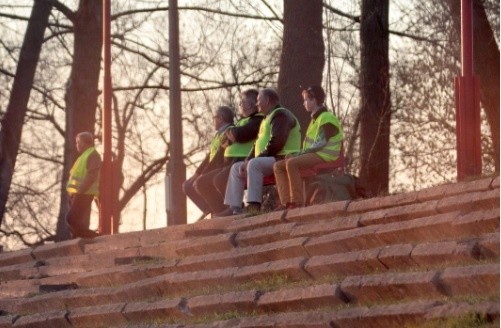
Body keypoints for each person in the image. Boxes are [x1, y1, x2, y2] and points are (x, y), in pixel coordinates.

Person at [217, 88, 301, 216]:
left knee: (254, 165)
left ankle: (254, 206)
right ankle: (234, 207)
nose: (256, 104)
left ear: (267, 100)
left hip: (283, 157)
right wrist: (247, 159)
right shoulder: (267, 118)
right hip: (269, 158)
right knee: (236, 168)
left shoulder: (281, 115)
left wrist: (254, 160)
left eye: (258, 100)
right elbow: (258, 143)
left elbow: (277, 142)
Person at [195, 89, 264, 216]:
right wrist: (231, 134)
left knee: (219, 179)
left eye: (241, 103)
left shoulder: (258, 120)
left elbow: (241, 134)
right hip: (230, 162)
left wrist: (233, 134)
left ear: (249, 104)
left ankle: (235, 208)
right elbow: (227, 139)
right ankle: (220, 212)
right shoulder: (242, 121)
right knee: (201, 182)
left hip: (243, 160)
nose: (240, 106)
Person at [273, 85, 343, 209]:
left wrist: (298, 155)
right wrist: (297, 154)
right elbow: (312, 146)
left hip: (324, 155)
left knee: (291, 163)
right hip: (315, 154)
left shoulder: (327, 118)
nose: (304, 103)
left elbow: (321, 143)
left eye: (306, 100)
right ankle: (285, 203)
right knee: (278, 166)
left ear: (314, 100)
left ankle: (296, 202)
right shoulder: (315, 120)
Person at [183, 106, 234, 217]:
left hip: (221, 167)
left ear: (220, 118)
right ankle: (210, 209)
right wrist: (197, 172)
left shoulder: (229, 131)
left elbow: (218, 156)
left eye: (214, 117)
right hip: (212, 167)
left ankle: (219, 210)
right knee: (187, 185)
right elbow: (209, 157)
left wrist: (202, 174)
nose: (213, 120)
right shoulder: (218, 135)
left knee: (200, 182)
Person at [66, 132, 101, 238]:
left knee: (71, 218)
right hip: (78, 193)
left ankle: (92, 236)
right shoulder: (84, 156)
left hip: (85, 193)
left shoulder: (92, 154)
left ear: (84, 143)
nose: (77, 145)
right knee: (75, 220)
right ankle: (78, 236)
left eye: (78, 142)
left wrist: (79, 191)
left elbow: (92, 175)